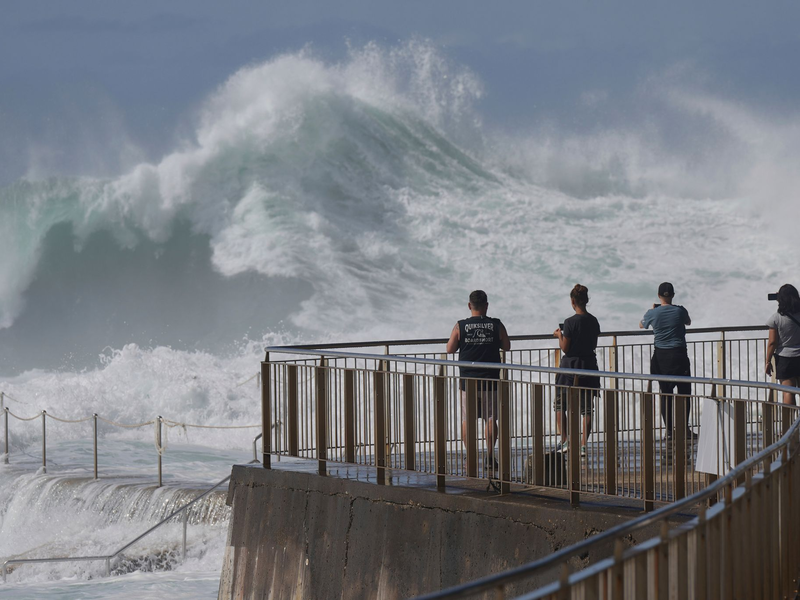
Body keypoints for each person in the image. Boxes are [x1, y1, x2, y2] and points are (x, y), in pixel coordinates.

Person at [446, 290, 510, 472]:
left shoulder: (461, 326)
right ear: (487, 306)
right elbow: (507, 346)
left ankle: (471, 457)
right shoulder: (496, 324)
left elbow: (450, 349)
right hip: (490, 378)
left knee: (468, 419)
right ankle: (490, 457)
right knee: (490, 418)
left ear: (469, 306)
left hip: (468, 380)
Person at [553, 284, 601, 458]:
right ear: (586, 300)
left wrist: (560, 336)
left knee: (560, 404)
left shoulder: (569, 322)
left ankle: (565, 441)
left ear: (572, 301)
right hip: (588, 365)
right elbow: (594, 344)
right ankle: (582, 445)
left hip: (569, 367)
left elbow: (565, 348)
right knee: (587, 408)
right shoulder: (593, 320)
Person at [639, 282, 692, 440]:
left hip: (661, 358)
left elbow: (642, 325)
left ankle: (669, 431)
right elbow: (688, 322)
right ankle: (684, 429)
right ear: (673, 295)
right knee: (684, 393)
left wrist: (654, 311)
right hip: (679, 355)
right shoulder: (680, 311)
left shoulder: (652, 313)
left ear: (659, 296)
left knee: (665, 394)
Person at [765, 284, 800, 405]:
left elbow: (772, 342)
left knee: (788, 391)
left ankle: (791, 421)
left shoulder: (776, 318)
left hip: (785, 358)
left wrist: (767, 361)